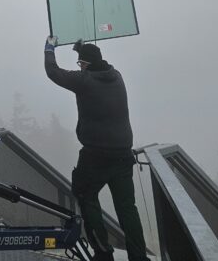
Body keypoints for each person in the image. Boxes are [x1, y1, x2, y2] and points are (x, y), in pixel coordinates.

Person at [44, 36, 148, 261]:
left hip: (95, 155)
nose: (79, 67)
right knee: (127, 208)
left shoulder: (85, 80)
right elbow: (93, 61)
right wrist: (82, 50)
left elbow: (53, 72)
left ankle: (102, 252)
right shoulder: (117, 76)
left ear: (86, 65)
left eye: (81, 64)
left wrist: (49, 47)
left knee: (86, 194)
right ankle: (139, 258)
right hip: (123, 154)